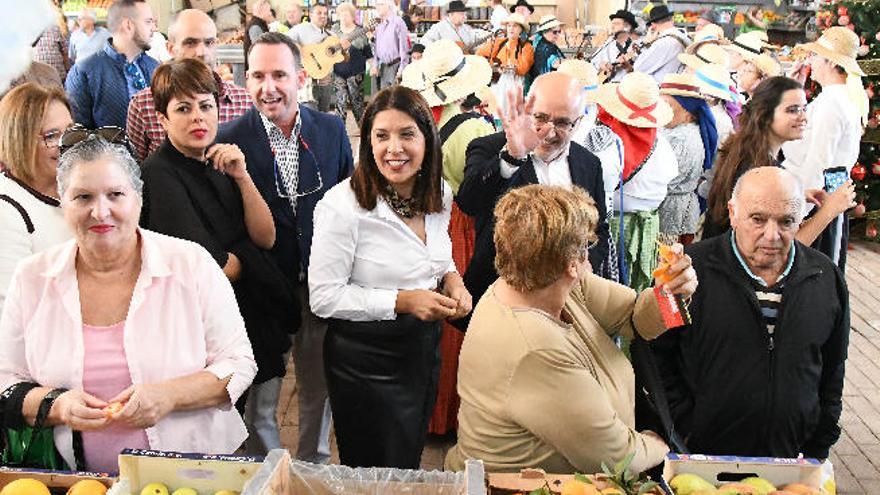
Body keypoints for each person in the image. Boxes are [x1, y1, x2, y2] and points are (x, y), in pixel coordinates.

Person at [0, 136, 257, 473]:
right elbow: (6, 379)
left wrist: (170, 396)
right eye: (83, 197)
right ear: (63, 203)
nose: (100, 211)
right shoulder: (32, 278)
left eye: (115, 194)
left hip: (194, 474)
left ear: (138, 199)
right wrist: (57, 405)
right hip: (81, 482)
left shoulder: (190, 263)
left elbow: (238, 362)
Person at [445, 184, 698, 473]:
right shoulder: (535, 350)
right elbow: (615, 460)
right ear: (571, 263)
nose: (590, 253)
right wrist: (660, 442)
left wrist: (671, 294)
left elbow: (636, 318)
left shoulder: (548, 283)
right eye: (586, 246)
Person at [138, 58, 297, 455]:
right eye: (183, 108)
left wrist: (242, 176)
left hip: (248, 319)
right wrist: (245, 257)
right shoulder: (159, 174)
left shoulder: (220, 160)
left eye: (205, 106)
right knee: (222, 433)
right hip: (205, 333)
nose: (197, 117)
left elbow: (266, 237)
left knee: (258, 420)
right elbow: (212, 267)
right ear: (162, 118)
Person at [309, 86, 471, 468]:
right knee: (371, 470)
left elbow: (439, 254)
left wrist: (454, 281)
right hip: (364, 361)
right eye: (381, 136)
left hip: (419, 351)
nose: (393, 148)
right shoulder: (341, 206)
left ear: (427, 140)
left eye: (406, 134)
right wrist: (403, 300)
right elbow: (324, 297)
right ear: (367, 143)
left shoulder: (438, 194)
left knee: (407, 461)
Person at [217, 32, 353, 463]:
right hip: (261, 293)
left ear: (300, 78)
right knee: (261, 393)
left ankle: (313, 466)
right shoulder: (229, 139)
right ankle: (267, 472)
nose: (267, 86)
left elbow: (350, 204)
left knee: (318, 386)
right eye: (257, 75)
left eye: (279, 74)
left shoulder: (331, 131)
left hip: (320, 285)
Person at [652, 167, 848, 459]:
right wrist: (683, 426)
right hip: (703, 458)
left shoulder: (824, 277)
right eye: (758, 219)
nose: (772, 235)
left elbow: (833, 369)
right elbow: (655, 356)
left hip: (791, 457)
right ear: (733, 213)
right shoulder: (686, 272)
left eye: (786, 222)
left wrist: (819, 438)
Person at [401, 39, 495, 434]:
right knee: (457, 314)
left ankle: (426, 412)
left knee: (428, 316)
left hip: (421, 220)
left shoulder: (419, 121)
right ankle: (451, 417)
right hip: (459, 225)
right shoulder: (475, 127)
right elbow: (480, 191)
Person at [457, 72, 610, 309]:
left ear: (578, 123)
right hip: (501, 298)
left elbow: (599, 228)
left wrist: (587, 265)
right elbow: (469, 202)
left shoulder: (588, 163)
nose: (548, 132)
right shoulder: (491, 148)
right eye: (540, 118)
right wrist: (513, 156)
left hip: (567, 301)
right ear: (526, 111)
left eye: (562, 123)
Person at [702, 76, 855, 244]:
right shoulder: (760, 172)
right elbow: (781, 250)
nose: (803, 117)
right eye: (793, 110)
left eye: (804, 109)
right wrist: (829, 211)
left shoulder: (745, 151)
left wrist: (791, 197)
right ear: (765, 115)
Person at [782, 27, 864, 270]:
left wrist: (799, 212)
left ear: (830, 62)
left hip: (821, 201)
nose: (811, 61)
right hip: (826, 196)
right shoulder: (835, 99)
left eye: (816, 56)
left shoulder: (832, 103)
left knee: (816, 268)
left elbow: (819, 162)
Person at [126, 9, 251, 163]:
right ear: (170, 48)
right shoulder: (143, 104)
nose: (201, 52)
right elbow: (134, 172)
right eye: (190, 43)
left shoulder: (244, 101)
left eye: (209, 42)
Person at [592, 72, 677, 291]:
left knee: (609, 292)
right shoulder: (663, 144)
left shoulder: (604, 143)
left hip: (614, 228)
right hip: (648, 226)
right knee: (637, 286)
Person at [0, 83, 74, 312]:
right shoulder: (6, 211)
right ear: (18, 140)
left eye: (70, 131)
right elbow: (14, 311)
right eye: (52, 136)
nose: (67, 144)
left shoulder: (76, 186)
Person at [65, 0, 159, 129]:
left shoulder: (156, 68)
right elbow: (78, 135)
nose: (154, 28)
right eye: (148, 22)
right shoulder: (84, 72)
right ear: (128, 25)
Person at [657, 73, 717, 246]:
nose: (661, 110)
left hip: (671, 213)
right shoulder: (673, 130)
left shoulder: (683, 138)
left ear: (688, 112)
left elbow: (665, 179)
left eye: (668, 105)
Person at [477, 13, 534, 119]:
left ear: (521, 29)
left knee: (512, 118)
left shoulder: (526, 47)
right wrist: (495, 66)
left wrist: (511, 66)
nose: (511, 28)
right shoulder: (499, 43)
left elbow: (523, 69)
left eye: (515, 26)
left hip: (515, 87)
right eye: (509, 25)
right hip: (498, 86)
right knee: (495, 116)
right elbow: (480, 54)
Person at [287, 3, 333, 112]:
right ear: (311, 15)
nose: (323, 16)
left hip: (325, 82)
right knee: (309, 115)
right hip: (307, 83)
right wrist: (301, 50)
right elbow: (284, 39)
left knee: (323, 115)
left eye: (325, 13)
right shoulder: (301, 28)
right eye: (319, 13)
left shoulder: (331, 35)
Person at [331, 3, 372, 124]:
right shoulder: (334, 30)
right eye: (341, 15)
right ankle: (339, 130)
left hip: (356, 73)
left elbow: (367, 52)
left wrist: (373, 65)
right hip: (338, 71)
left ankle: (363, 128)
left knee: (357, 103)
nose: (343, 18)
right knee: (340, 102)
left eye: (347, 15)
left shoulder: (360, 31)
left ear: (353, 16)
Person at [633, 5, 690, 82]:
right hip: (682, 87)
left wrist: (646, 44)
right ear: (672, 20)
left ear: (653, 25)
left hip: (662, 90)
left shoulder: (662, 43)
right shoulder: (685, 37)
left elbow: (638, 68)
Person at [421, 1, 489, 54]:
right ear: (451, 15)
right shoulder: (439, 27)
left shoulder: (466, 28)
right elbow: (424, 41)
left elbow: (473, 42)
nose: (464, 16)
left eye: (465, 14)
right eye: (461, 14)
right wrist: (440, 50)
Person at [372, 0, 411, 91]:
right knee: (384, 99)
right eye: (376, 5)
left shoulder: (398, 22)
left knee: (395, 99)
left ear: (388, 6)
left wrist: (402, 69)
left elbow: (404, 48)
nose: (377, 7)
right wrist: (375, 65)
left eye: (380, 4)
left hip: (396, 67)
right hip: (383, 67)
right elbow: (377, 48)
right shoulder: (379, 25)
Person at [591, 9, 639, 83]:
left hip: (627, 87)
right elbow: (593, 61)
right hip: (606, 85)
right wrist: (601, 64)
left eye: (616, 24)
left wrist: (629, 68)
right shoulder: (608, 42)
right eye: (612, 24)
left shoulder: (637, 46)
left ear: (627, 27)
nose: (612, 27)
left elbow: (642, 73)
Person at [527, 15, 566, 91]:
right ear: (545, 31)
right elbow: (556, 63)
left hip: (535, 86)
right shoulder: (548, 48)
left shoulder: (538, 40)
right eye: (555, 32)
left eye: (559, 31)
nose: (558, 35)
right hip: (547, 89)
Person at [244, 0, 272, 70]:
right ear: (262, 10)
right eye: (268, 10)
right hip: (257, 69)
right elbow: (259, 50)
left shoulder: (259, 24)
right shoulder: (256, 26)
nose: (270, 13)